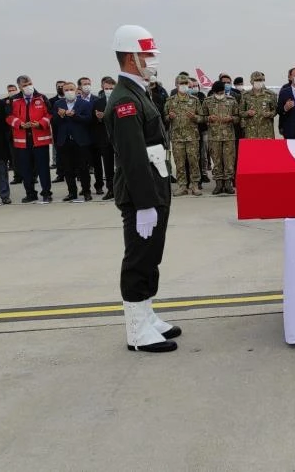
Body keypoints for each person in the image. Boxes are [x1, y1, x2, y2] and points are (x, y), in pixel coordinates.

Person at [106, 24, 179, 354]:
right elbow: (133, 158)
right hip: (141, 193)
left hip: (154, 184)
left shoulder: (138, 91)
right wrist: (146, 203)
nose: (152, 60)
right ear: (131, 58)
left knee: (152, 255)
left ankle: (147, 315)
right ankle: (136, 331)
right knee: (138, 257)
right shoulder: (124, 100)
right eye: (147, 54)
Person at [8, 75, 53, 203]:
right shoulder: (14, 100)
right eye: (25, 85)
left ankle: (46, 193)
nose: (28, 86)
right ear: (19, 87)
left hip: (40, 139)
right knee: (25, 169)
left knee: (43, 168)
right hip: (22, 141)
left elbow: (49, 114)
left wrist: (40, 123)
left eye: (29, 83)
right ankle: (30, 193)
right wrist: (19, 124)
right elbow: (9, 116)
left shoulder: (42, 98)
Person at [165, 74, 207, 196]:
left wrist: (195, 117)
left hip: (192, 137)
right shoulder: (170, 101)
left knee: (194, 161)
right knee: (180, 163)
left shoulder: (194, 100)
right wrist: (169, 117)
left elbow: (202, 118)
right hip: (177, 137)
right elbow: (164, 117)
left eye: (185, 84)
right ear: (176, 85)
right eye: (181, 84)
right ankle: (182, 186)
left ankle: (195, 185)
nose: (183, 86)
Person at [53, 82, 94, 202]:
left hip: (80, 141)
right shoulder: (58, 104)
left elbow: (88, 120)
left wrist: (75, 116)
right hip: (64, 141)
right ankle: (72, 193)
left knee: (83, 168)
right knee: (67, 169)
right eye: (66, 90)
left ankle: (86, 192)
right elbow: (54, 121)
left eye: (71, 89)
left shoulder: (84, 104)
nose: (69, 91)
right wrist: (60, 116)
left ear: (76, 90)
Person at [204, 81, 240, 195]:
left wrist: (231, 118)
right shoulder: (207, 101)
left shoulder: (231, 101)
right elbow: (201, 117)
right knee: (217, 160)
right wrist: (208, 118)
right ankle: (219, 183)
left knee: (229, 161)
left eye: (222, 92)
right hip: (214, 137)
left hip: (229, 136)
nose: (221, 93)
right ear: (214, 92)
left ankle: (228, 183)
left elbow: (238, 117)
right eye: (218, 92)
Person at [92, 77, 117, 200]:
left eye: (111, 88)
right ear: (102, 88)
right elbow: (93, 122)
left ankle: (124, 190)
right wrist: (99, 118)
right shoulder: (98, 102)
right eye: (106, 88)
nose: (108, 90)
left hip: (119, 139)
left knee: (122, 166)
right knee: (108, 167)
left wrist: (106, 115)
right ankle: (111, 190)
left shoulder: (121, 100)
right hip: (104, 140)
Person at [239, 71, 278, 140]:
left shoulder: (270, 94)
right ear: (251, 81)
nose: (258, 82)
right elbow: (240, 112)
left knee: (267, 150)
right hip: (251, 132)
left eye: (260, 80)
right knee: (252, 150)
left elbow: (275, 110)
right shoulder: (245, 95)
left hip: (266, 132)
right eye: (256, 80)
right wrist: (247, 113)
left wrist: (269, 114)